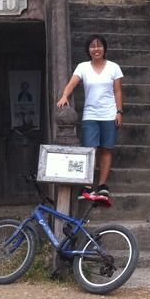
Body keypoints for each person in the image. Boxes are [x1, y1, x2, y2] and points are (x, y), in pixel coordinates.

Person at [56, 34, 124, 204]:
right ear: (88, 50)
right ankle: (87, 186)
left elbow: (117, 91)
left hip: (109, 114)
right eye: (93, 46)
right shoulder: (83, 67)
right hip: (90, 115)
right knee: (90, 150)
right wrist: (65, 95)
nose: (96, 49)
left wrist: (119, 111)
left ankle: (102, 185)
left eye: (99, 46)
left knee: (106, 149)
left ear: (104, 48)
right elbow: (72, 83)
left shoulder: (114, 67)